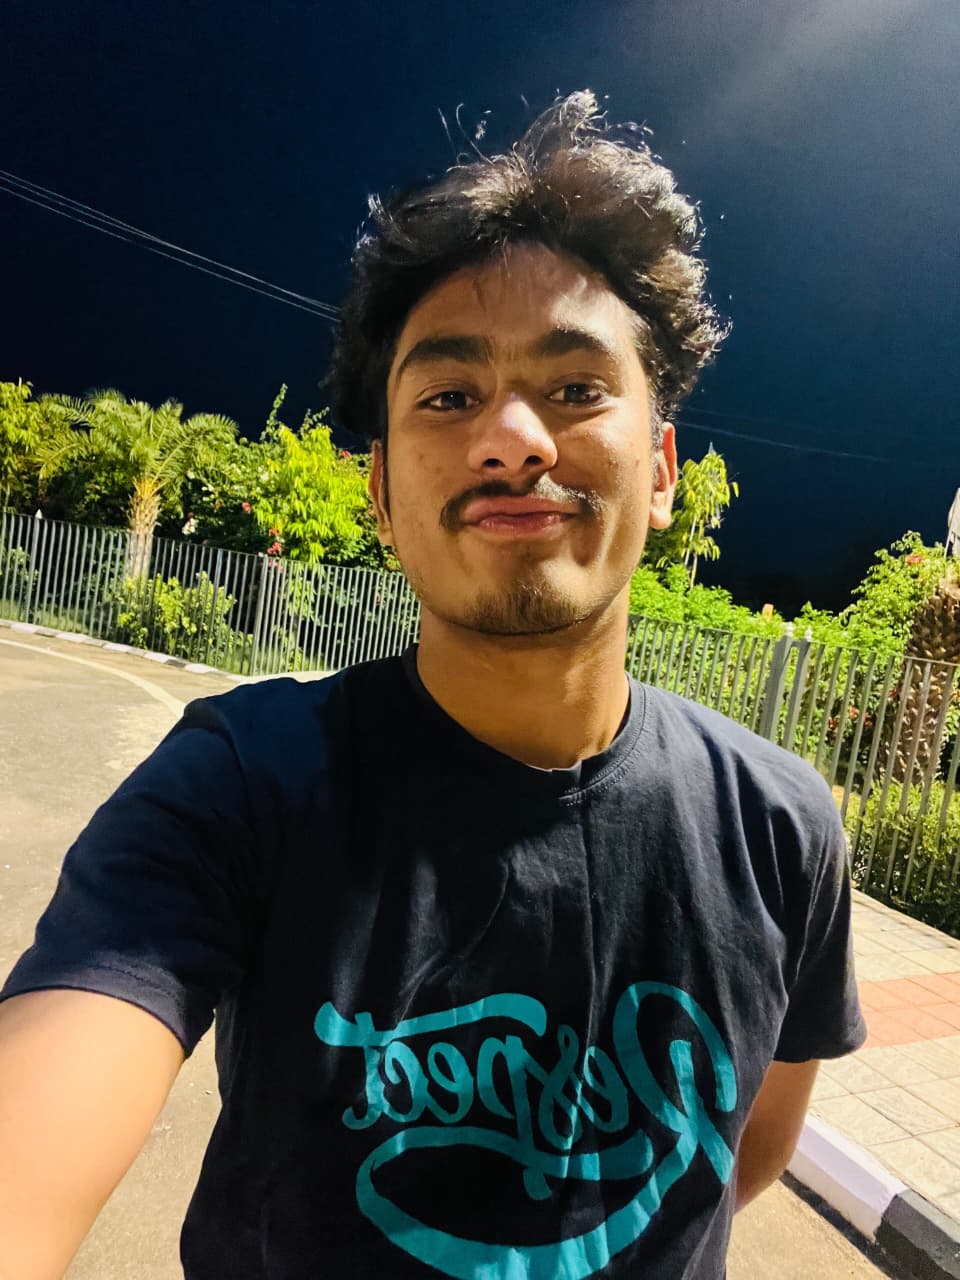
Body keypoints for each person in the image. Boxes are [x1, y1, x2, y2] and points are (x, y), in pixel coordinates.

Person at [0, 91, 865, 1279]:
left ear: (662, 470)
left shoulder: (781, 824)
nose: (513, 439)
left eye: (577, 388)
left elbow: (739, 1155)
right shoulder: (241, 784)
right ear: (381, 493)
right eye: (449, 397)